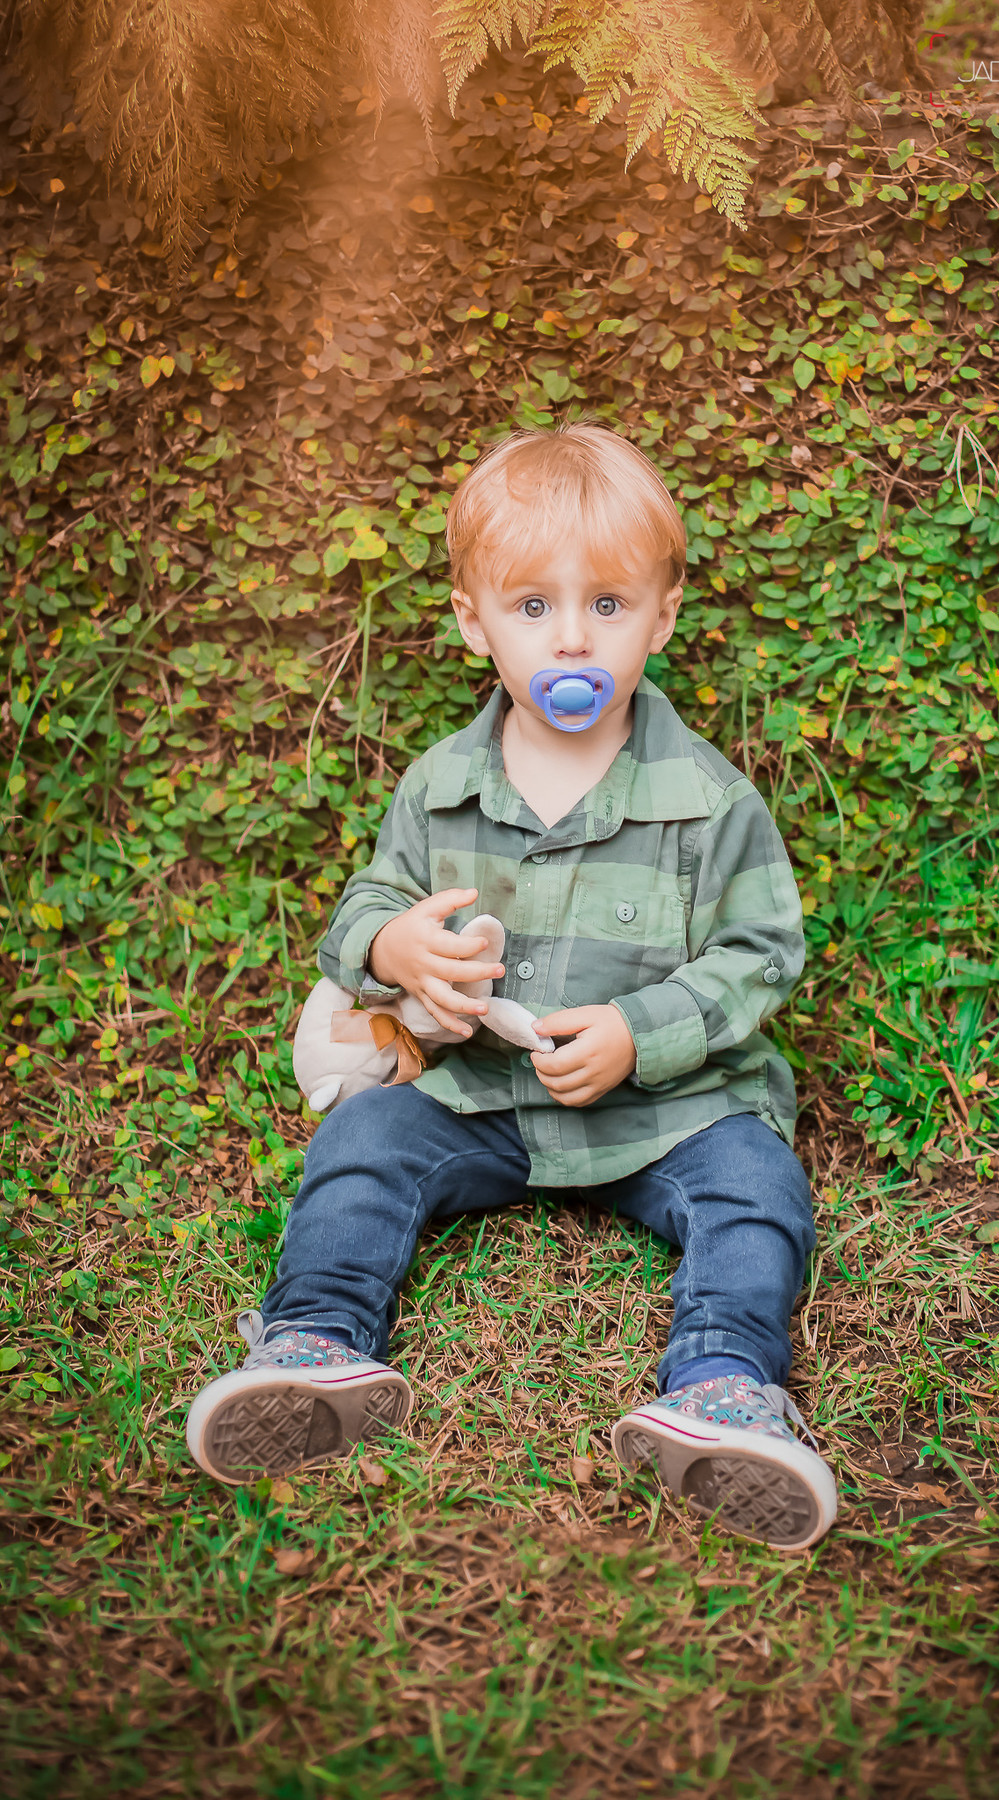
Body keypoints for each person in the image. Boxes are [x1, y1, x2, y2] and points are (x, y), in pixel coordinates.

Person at [185, 424, 838, 1551]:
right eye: (531, 607)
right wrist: (394, 953)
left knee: (756, 1184)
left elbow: (759, 953)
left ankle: (723, 1390)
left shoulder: (708, 801)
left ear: (662, 615)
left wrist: (640, 1034)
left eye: (607, 605)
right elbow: (362, 908)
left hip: (662, 1112)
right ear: (471, 619)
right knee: (360, 1146)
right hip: (475, 1096)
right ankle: (312, 1346)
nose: (570, 638)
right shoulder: (439, 787)